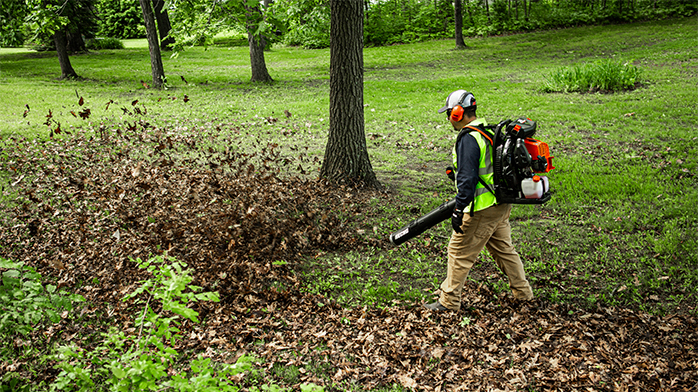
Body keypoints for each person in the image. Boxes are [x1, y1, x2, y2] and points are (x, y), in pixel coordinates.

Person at [424, 90, 534, 311]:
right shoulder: (488, 130)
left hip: (481, 208)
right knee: (504, 250)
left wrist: (459, 209)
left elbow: (468, 178)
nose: (448, 119)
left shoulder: (468, 138)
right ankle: (524, 295)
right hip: (500, 204)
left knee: (458, 252)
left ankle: (449, 301)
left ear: (458, 113)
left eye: (449, 113)